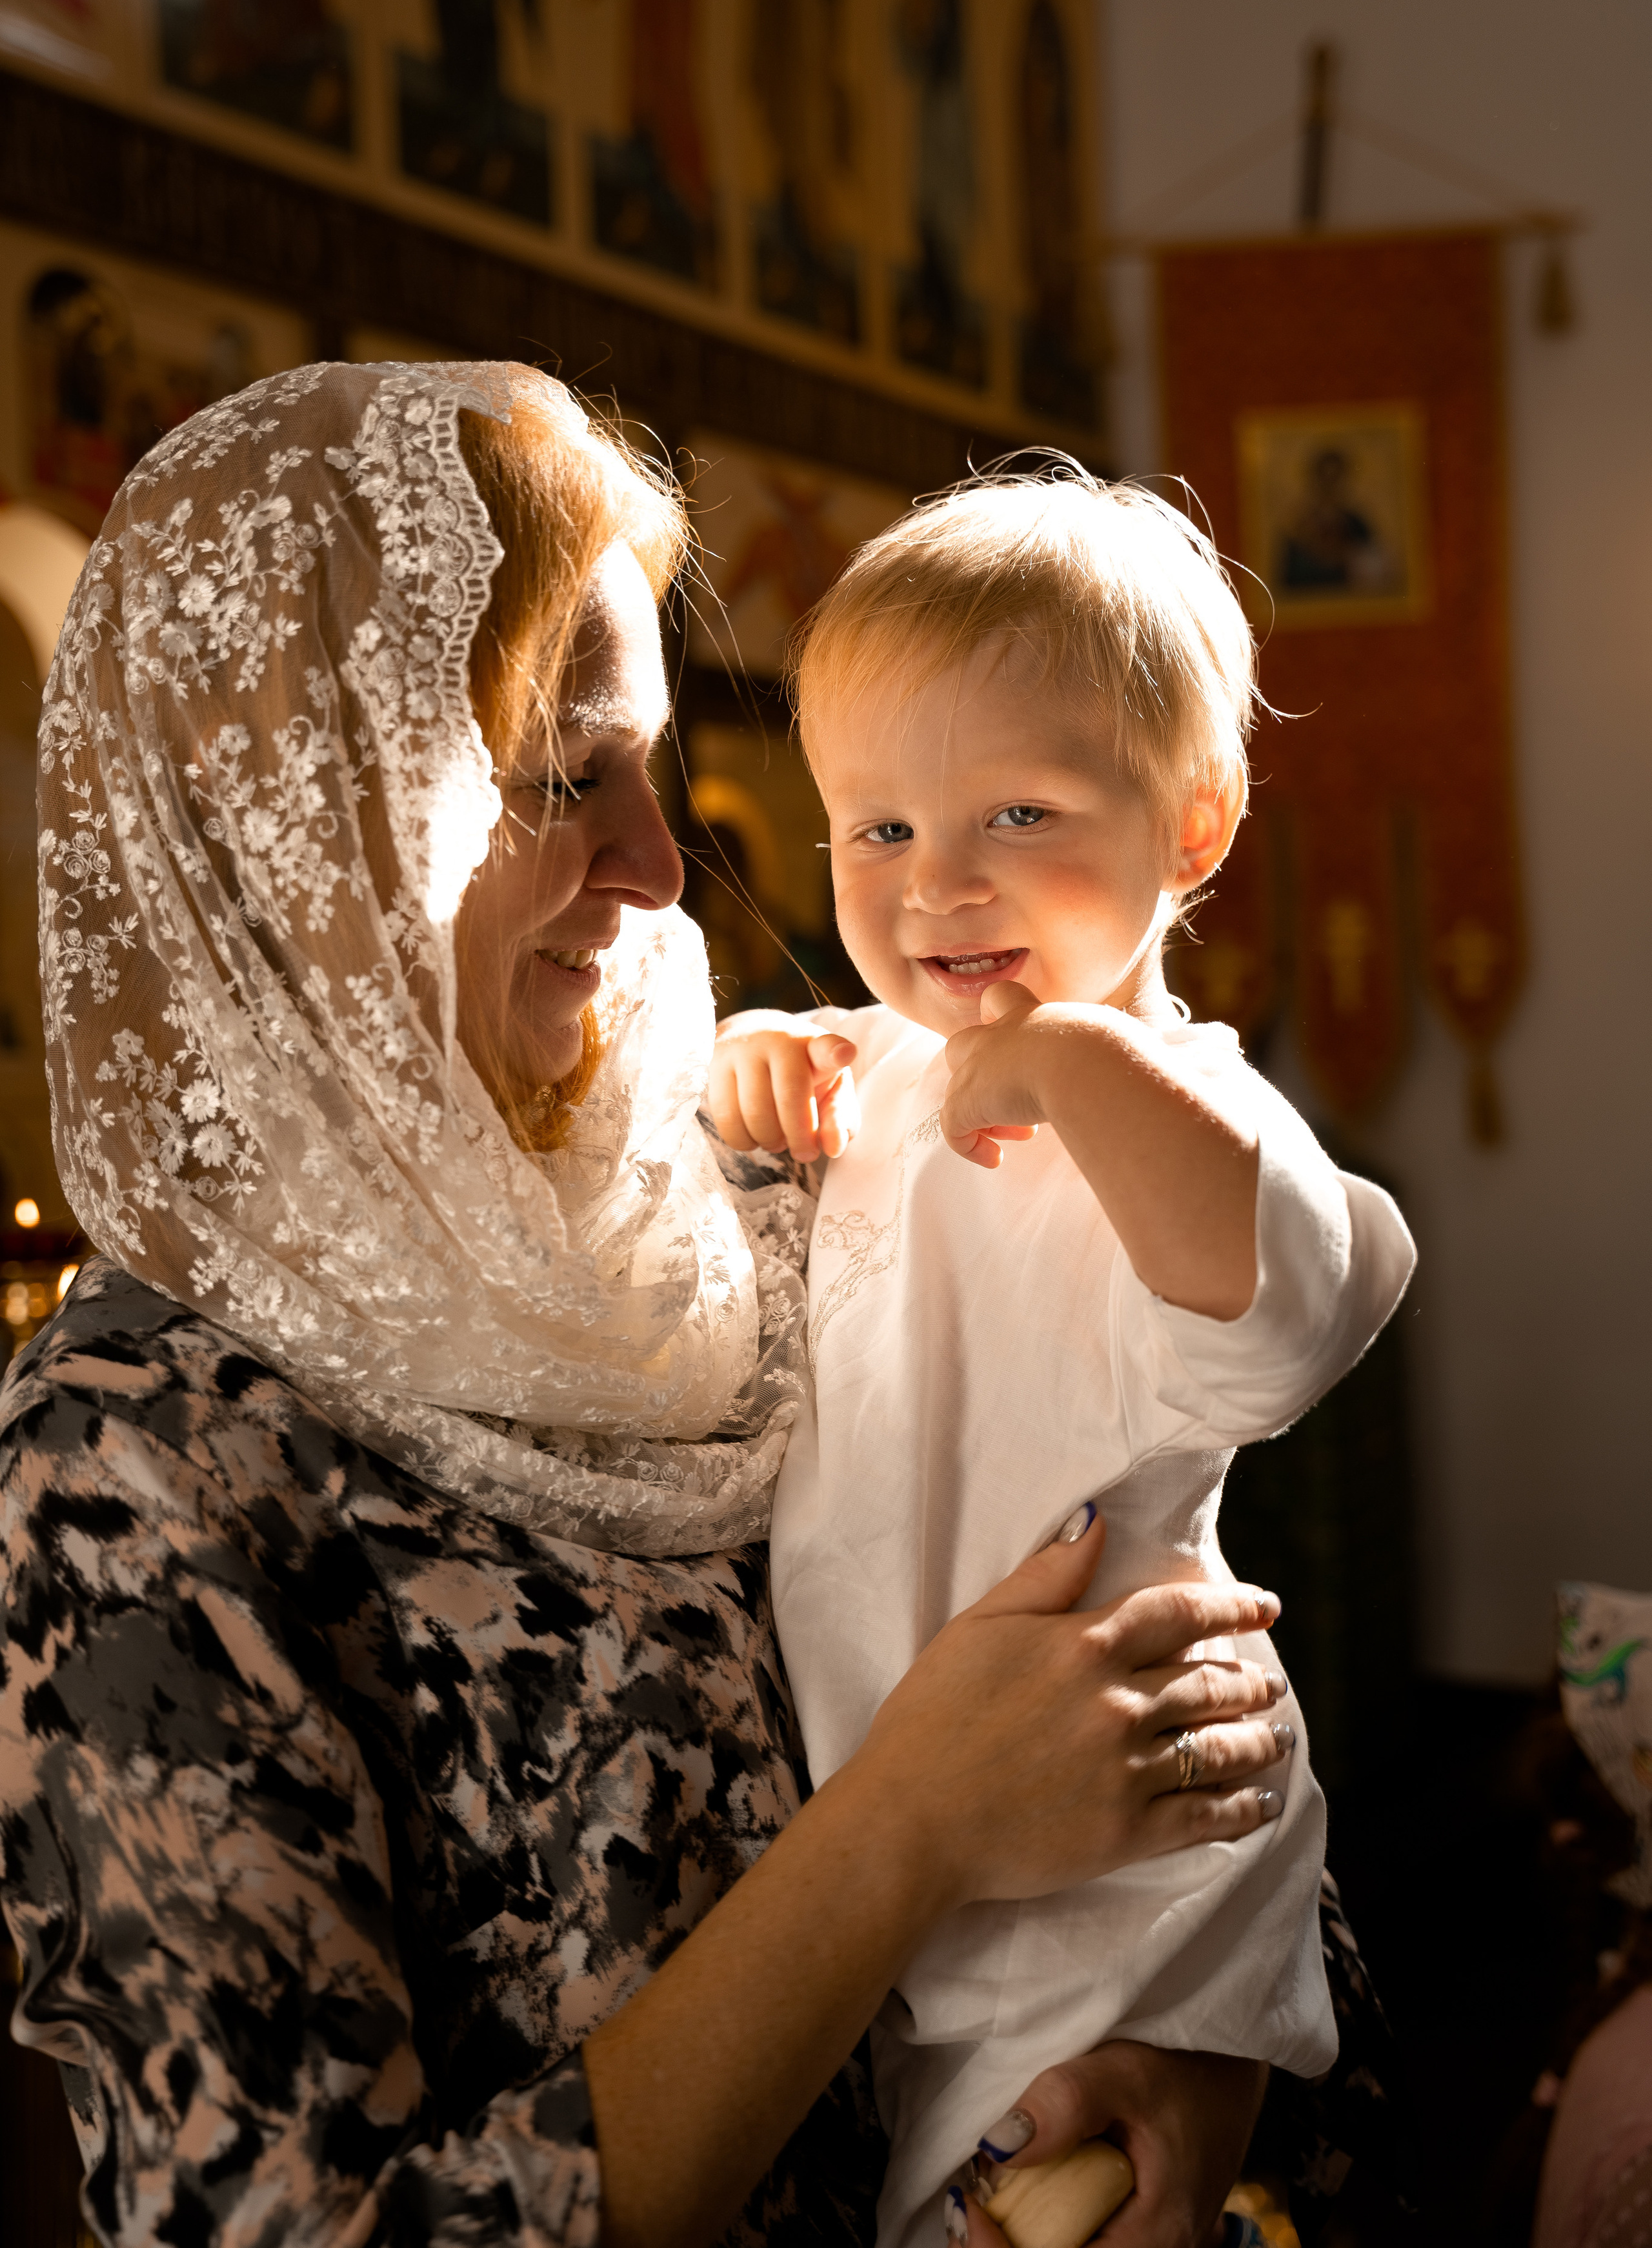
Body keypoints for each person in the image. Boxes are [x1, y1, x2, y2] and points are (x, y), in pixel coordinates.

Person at [1, 361, 1318, 2248]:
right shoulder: (135, 1449)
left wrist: (1198, 2060)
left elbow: (1163, 1701)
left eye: (649, 765)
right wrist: (905, 1832)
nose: (656, 857)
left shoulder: (769, 1200)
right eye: (560, 778)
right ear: (304, 825)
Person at [709, 467, 1417, 2246]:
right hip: (889, 1834)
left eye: (1014, 812)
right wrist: (755, 1065)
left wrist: (1081, 1072)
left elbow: (1289, 1312)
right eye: (874, 831)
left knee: (1050, 2196)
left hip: (1119, 1862)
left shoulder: (1184, 1117)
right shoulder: (869, 1069)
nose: (935, 886)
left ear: (1191, 826)